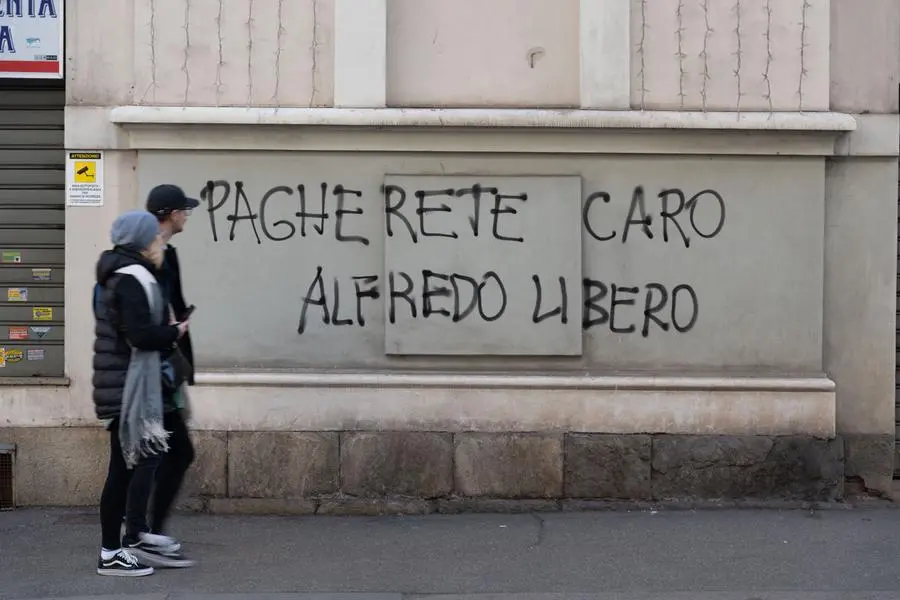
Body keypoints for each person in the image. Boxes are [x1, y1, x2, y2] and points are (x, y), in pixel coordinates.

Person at [92, 210, 191, 576]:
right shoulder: (131, 278)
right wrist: (174, 332)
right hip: (126, 387)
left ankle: (128, 538)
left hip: (124, 384)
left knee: (134, 464)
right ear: (143, 241)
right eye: (154, 237)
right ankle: (112, 551)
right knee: (123, 470)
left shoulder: (124, 274)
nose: (159, 242)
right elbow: (140, 336)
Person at [145, 184, 200, 544]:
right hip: (153, 369)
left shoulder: (170, 256)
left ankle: (145, 529)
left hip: (169, 367)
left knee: (165, 451)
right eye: (183, 209)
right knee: (176, 451)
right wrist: (171, 330)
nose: (187, 214)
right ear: (169, 214)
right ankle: (146, 532)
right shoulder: (143, 260)